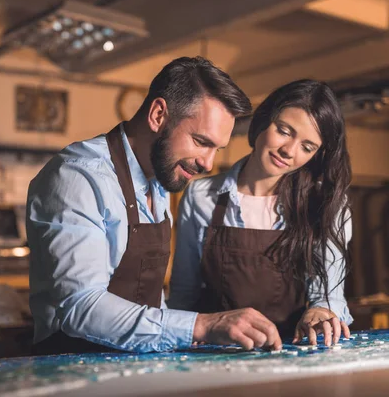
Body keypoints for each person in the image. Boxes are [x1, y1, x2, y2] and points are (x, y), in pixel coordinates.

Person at [26, 56, 283, 355]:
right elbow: (80, 306)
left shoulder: (158, 183)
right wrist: (200, 325)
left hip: (135, 368)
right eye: (201, 141)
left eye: (217, 149)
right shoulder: (77, 178)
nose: (207, 162)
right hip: (74, 373)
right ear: (159, 115)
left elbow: (148, 300)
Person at [168, 79, 353, 349]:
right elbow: (184, 294)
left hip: (290, 353)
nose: (288, 151)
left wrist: (321, 312)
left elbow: (329, 296)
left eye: (307, 147)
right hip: (214, 354)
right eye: (284, 130)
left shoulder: (326, 204)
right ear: (264, 120)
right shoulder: (201, 196)